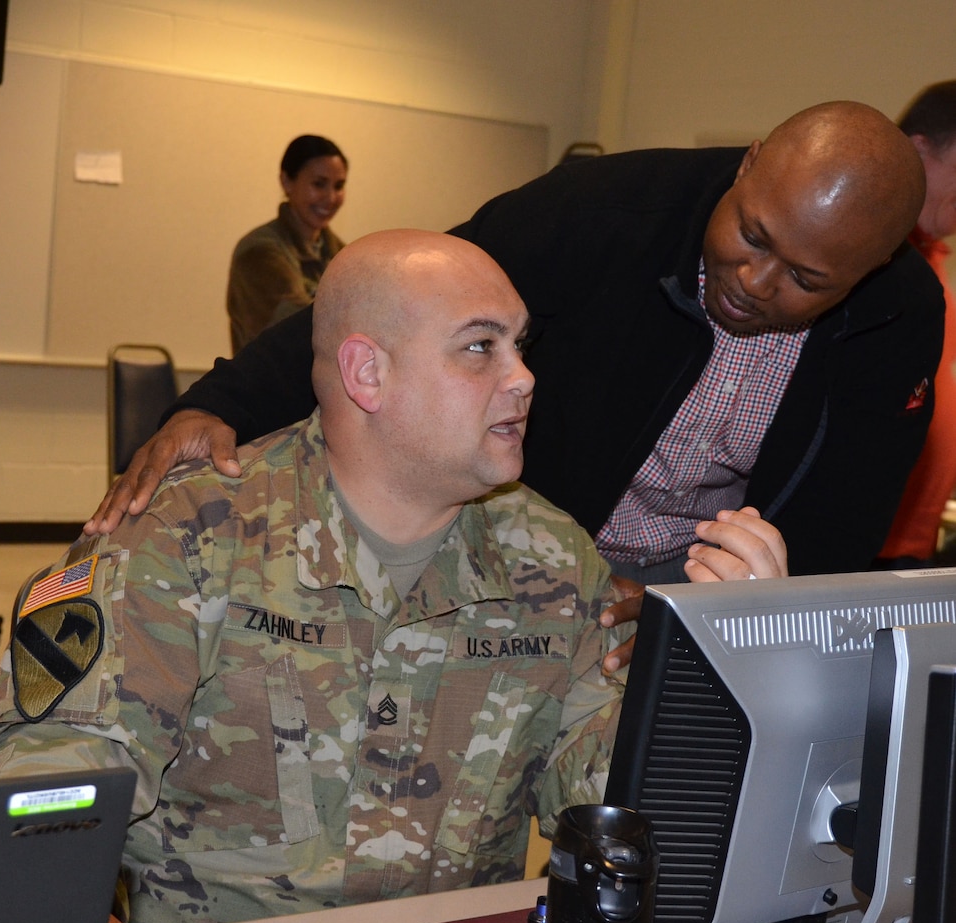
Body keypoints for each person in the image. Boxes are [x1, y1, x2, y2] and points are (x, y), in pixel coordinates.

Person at [0, 229, 638, 923]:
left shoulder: (555, 562)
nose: (522, 377)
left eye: (519, 347)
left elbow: (621, 800)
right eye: (478, 348)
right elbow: (49, 762)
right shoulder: (184, 536)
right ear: (367, 373)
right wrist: (61, 919)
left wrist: (728, 664)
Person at [85, 101, 941, 668]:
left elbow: (839, 519)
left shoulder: (897, 318)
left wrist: (717, 619)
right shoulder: (608, 210)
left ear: (867, 274)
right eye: (750, 235)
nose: (756, 280)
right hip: (547, 529)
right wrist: (218, 402)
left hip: (714, 565)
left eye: (806, 278)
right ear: (748, 164)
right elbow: (398, 301)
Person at [876, 82, 956, 566]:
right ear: (918, 150)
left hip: (913, 541)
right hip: (866, 545)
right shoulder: (871, 256)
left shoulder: (933, 254)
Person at [227, 134, 348, 354]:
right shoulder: (259, 252)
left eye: (339, 186)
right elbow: (296, 330)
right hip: (266, 386)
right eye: (319, 184)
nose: (331, 198)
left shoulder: (342, 253)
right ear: (286, 181)